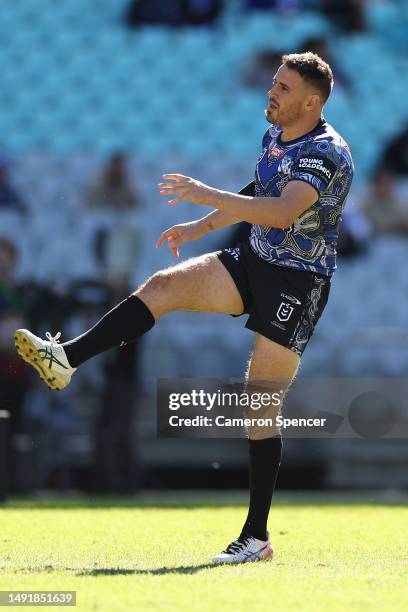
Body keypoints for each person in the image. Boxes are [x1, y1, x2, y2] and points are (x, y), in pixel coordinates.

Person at [14, 52, 354, 564]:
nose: (271, 93)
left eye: (283, 89)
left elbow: (283, 211)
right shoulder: (277, 136)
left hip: (298, 282)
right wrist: (199, 227)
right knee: (163, 286)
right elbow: (260, 191)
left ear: (311, 101)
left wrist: (202, 194)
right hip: (253, 259)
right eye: (274, 83)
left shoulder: (326, 153)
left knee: (260, 402)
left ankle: (256, 538)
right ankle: (66, 361)